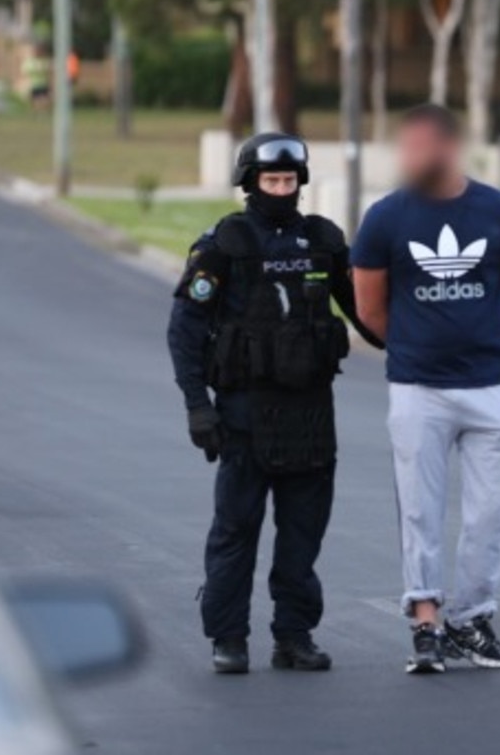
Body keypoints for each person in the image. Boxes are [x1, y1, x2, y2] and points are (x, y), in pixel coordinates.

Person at [167, 133, 384, 675]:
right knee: (236, 531)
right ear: (250, 184)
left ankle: (294, 635)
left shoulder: (323, 243)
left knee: (303, 535)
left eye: (290, 181)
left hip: (310, 415)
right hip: (244, 415)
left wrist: (429, 336)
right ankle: (228, 637)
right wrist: (198, 405)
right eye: (272, 181)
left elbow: (368, 316)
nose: (282, 190)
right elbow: (185, 330)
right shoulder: (226, 244)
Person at [351, 104, 500, 674]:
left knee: (490, 513)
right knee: (421, 512)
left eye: (422, 146)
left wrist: (475, 331)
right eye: (405, 147)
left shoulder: (499, 209)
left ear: (451, 147)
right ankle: (427, 622)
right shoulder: (386, 217)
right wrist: (417, 344)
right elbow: (370, 308)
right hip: (418, 389)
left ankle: (471, 619)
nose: (412, 157)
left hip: (491, 388)